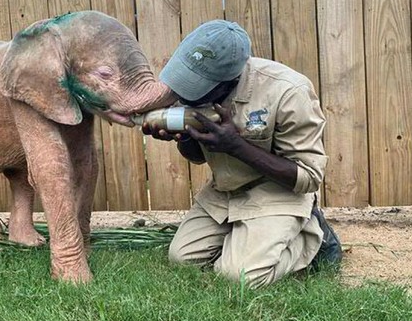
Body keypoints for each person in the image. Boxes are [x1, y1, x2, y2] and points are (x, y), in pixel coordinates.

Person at [143, 20, 342, 288]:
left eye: (197, 86)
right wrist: (185, 137)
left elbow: (308, 177)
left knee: (240, 278)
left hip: (277, 192)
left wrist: (237, 146)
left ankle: (311, 236)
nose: (186, 95)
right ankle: (251, 238)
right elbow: (198, 157)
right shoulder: (192, 92)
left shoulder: (288, 91)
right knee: (182, 258)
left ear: (231, 80)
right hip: (225, 193)